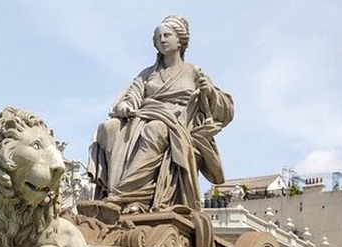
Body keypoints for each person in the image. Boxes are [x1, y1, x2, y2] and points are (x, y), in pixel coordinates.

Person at [87, 15, 234, 213]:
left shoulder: (193, 72)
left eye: (167, 35)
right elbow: (132, 95)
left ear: (180, 40)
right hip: (144, 116)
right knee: (109, 127)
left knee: (155, 129)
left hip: (177, 123)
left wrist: (210, 92)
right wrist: (126, 106)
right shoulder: (148, 73)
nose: (162, 40)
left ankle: (123, 196)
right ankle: (118, 194)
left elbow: (226, 110)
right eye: (158, 37)